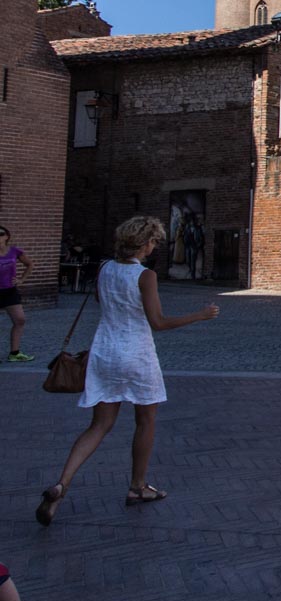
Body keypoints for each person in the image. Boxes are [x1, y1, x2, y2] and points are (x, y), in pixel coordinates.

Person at [35, 216, 219, 526]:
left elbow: (101, 300)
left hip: (104, 352)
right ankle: (137, 486)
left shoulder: (105, 268)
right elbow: (158, 322)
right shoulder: (145, 275)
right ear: (145, 243)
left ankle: (61, 485)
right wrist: (199, 315)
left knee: (99, 425)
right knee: (145, 421)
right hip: (136, 355)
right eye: (154, 241)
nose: (154, 247)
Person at [0, 225, 34, 363]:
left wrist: (21, 280)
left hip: (10, 291)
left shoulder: (15, 251)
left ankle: (14, 353)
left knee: (20, 320)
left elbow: (29, 264)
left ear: (7, 236)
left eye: (1, 234)